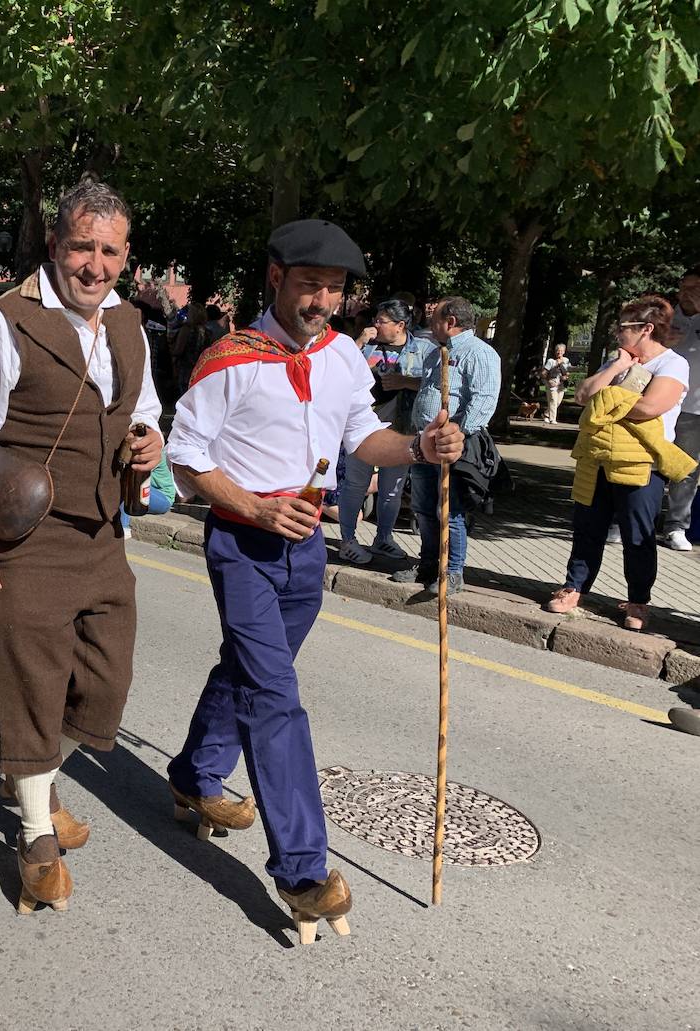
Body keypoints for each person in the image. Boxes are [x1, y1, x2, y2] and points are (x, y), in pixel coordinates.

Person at [168, 219, 465, 941]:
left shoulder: (342, 359)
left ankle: (195, 776)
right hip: (242, 541)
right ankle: (303, 870)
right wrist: (253, 506)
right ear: (276, 278)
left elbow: (364, 436)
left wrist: (422, 445)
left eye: (334, 289)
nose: (322, 300)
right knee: (275, 694)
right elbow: (184, 459)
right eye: (309, 284)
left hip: (308, 550)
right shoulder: (228, 357)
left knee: (249, 669)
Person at [0, 178, 163, 913]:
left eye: (109, 251)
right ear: (55, 246)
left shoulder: (129, 324)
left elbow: (145, 410)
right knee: (31, 683)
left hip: (101, 535)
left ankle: (28, 765)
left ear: (125, 257)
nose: (94, 265)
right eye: (81, 247)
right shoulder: (5, 323)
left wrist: (149, 443)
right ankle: (35, 834)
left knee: (105, 679)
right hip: (25, 537)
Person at [545, 295, 692, 630]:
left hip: (641, 464)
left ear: (646, 329)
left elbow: (650, 408)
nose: (617, 334)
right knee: (587, 529)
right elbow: (583, 396)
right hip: (598, 458)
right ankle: (574, 587)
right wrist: (616, 368)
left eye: (623, 327)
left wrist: (605, 402)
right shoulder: (618, 360)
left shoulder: (672, 364)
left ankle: (638, 601)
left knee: (636, 534)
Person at [391, 296, 501, 594]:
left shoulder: (479, 353)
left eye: (434, 318)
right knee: (423, 508)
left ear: (450, 322)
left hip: (451, 446)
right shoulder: (435, 352)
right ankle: (428, 564)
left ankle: (452, 571)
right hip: (425, 444)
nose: (430, 324)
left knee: (449, 511)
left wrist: (456, 432)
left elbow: (484, 400)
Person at [337, 298, 433, 563]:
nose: (375, 325)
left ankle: (383, 538)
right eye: (375, 320)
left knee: (392, 488)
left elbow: (435, 384)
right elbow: (338, 371)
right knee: (355, 485)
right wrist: (358, 342)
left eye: (381, 321)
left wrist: (406, 381)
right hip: (363, 428)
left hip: (401, 429)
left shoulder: (423, 349)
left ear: (400, 325)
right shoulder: (365, 346)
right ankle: (348, 539)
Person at [660, 265, 700, 550]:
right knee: (648, 464)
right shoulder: (665, 318)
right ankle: (624, 521)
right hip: (661, 404)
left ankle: (676, 526)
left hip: (695, 408)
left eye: (695, 288)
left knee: (686, 470)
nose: (688, 293)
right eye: (684, 287)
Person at [540, 343, 572, 424]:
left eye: (561, 351)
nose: (559, 352)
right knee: (553, 401)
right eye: (558, 350)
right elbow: (543, 373)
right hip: (552, 385)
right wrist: (548, 380)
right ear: (555, 352)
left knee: (558, 402)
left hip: (561, 385)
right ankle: (552, 419)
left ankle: (546, 414)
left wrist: (566, 377)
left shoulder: (566, 361)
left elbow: (568, 372)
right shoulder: (551, 361)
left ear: (564, 352)